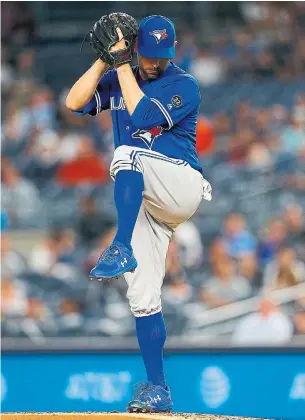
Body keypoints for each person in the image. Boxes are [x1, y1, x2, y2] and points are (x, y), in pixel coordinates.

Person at [66, 13, 211, 413]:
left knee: (126, 152)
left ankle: (119, 246)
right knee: (142, 296)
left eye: (160, 54)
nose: (153, 61)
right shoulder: (121, 75)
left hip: (180, 185)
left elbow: (144, 116)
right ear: (135, 49)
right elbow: (74, 101)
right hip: (148, 201)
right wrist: (105, 60)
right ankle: (158, 389)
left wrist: (122, 66)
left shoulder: (183, 84)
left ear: (172, 52)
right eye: (146, 53)